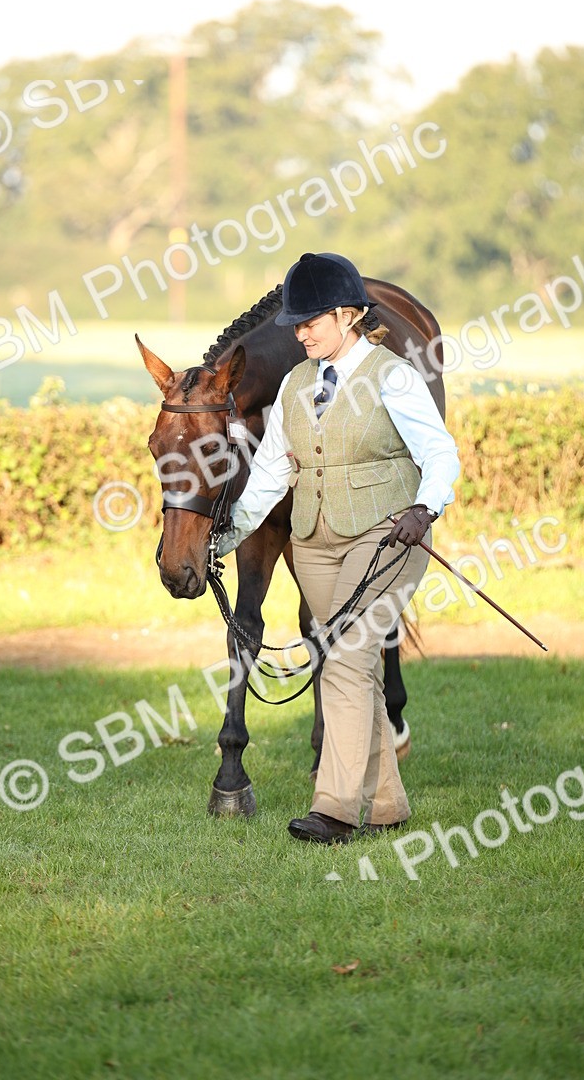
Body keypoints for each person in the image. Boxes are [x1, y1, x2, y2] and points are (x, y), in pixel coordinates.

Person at [216, 252, 460, 844]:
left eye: (311, 322)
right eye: (296, 323)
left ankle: (334, 808)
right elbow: (271, 475)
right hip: (318, 543)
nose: (300, 332)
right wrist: (225, 538)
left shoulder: (392, 375)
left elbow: (441, 454)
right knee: (356, 669)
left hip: (387, 536)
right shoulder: (296, 384)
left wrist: (426, 509)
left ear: (347, 315)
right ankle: (385, 804)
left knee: (346, 658)